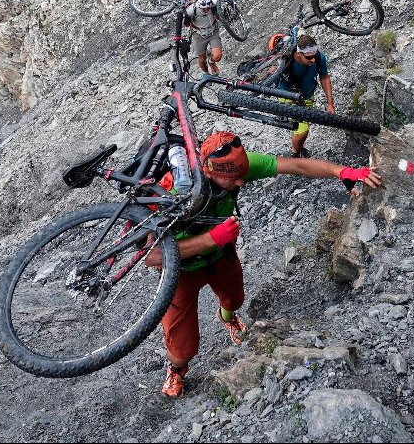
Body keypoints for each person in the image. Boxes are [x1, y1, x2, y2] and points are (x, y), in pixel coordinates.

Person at [145, 130, 381, 397]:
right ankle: (176, 370)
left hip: (222, 256)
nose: (242, 183)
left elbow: (296, 165)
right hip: (180, 273)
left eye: (242, 175)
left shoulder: (235, 164)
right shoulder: (167, 193)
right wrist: (211, 240)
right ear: (210, 174)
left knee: (234, 300)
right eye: (233, 180)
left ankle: (228, 318)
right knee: (183, 347)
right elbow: (149, 256)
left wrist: (343, 171)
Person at [277, 34, 334, 157]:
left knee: (303, 128)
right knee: (302, 129)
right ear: (299, 54)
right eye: (309, 57)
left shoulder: (319, 57)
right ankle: (295, 155)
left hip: (307, 97)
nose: (313, 60)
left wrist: (330, 104)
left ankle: (299, 148)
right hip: (287, 96)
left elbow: (324, 78)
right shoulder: (286, 60)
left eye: (314, 55)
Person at [185, 0, 222, 75]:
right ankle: (206, 73)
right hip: (199, 35)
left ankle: (211, 62)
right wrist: (186, 21)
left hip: (213, 32)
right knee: (202, 59)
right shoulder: (191, 10)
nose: (205, 10)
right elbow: (185, 23)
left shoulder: (214, 4)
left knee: (217, 56)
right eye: (203, 9)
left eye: (207, 8)